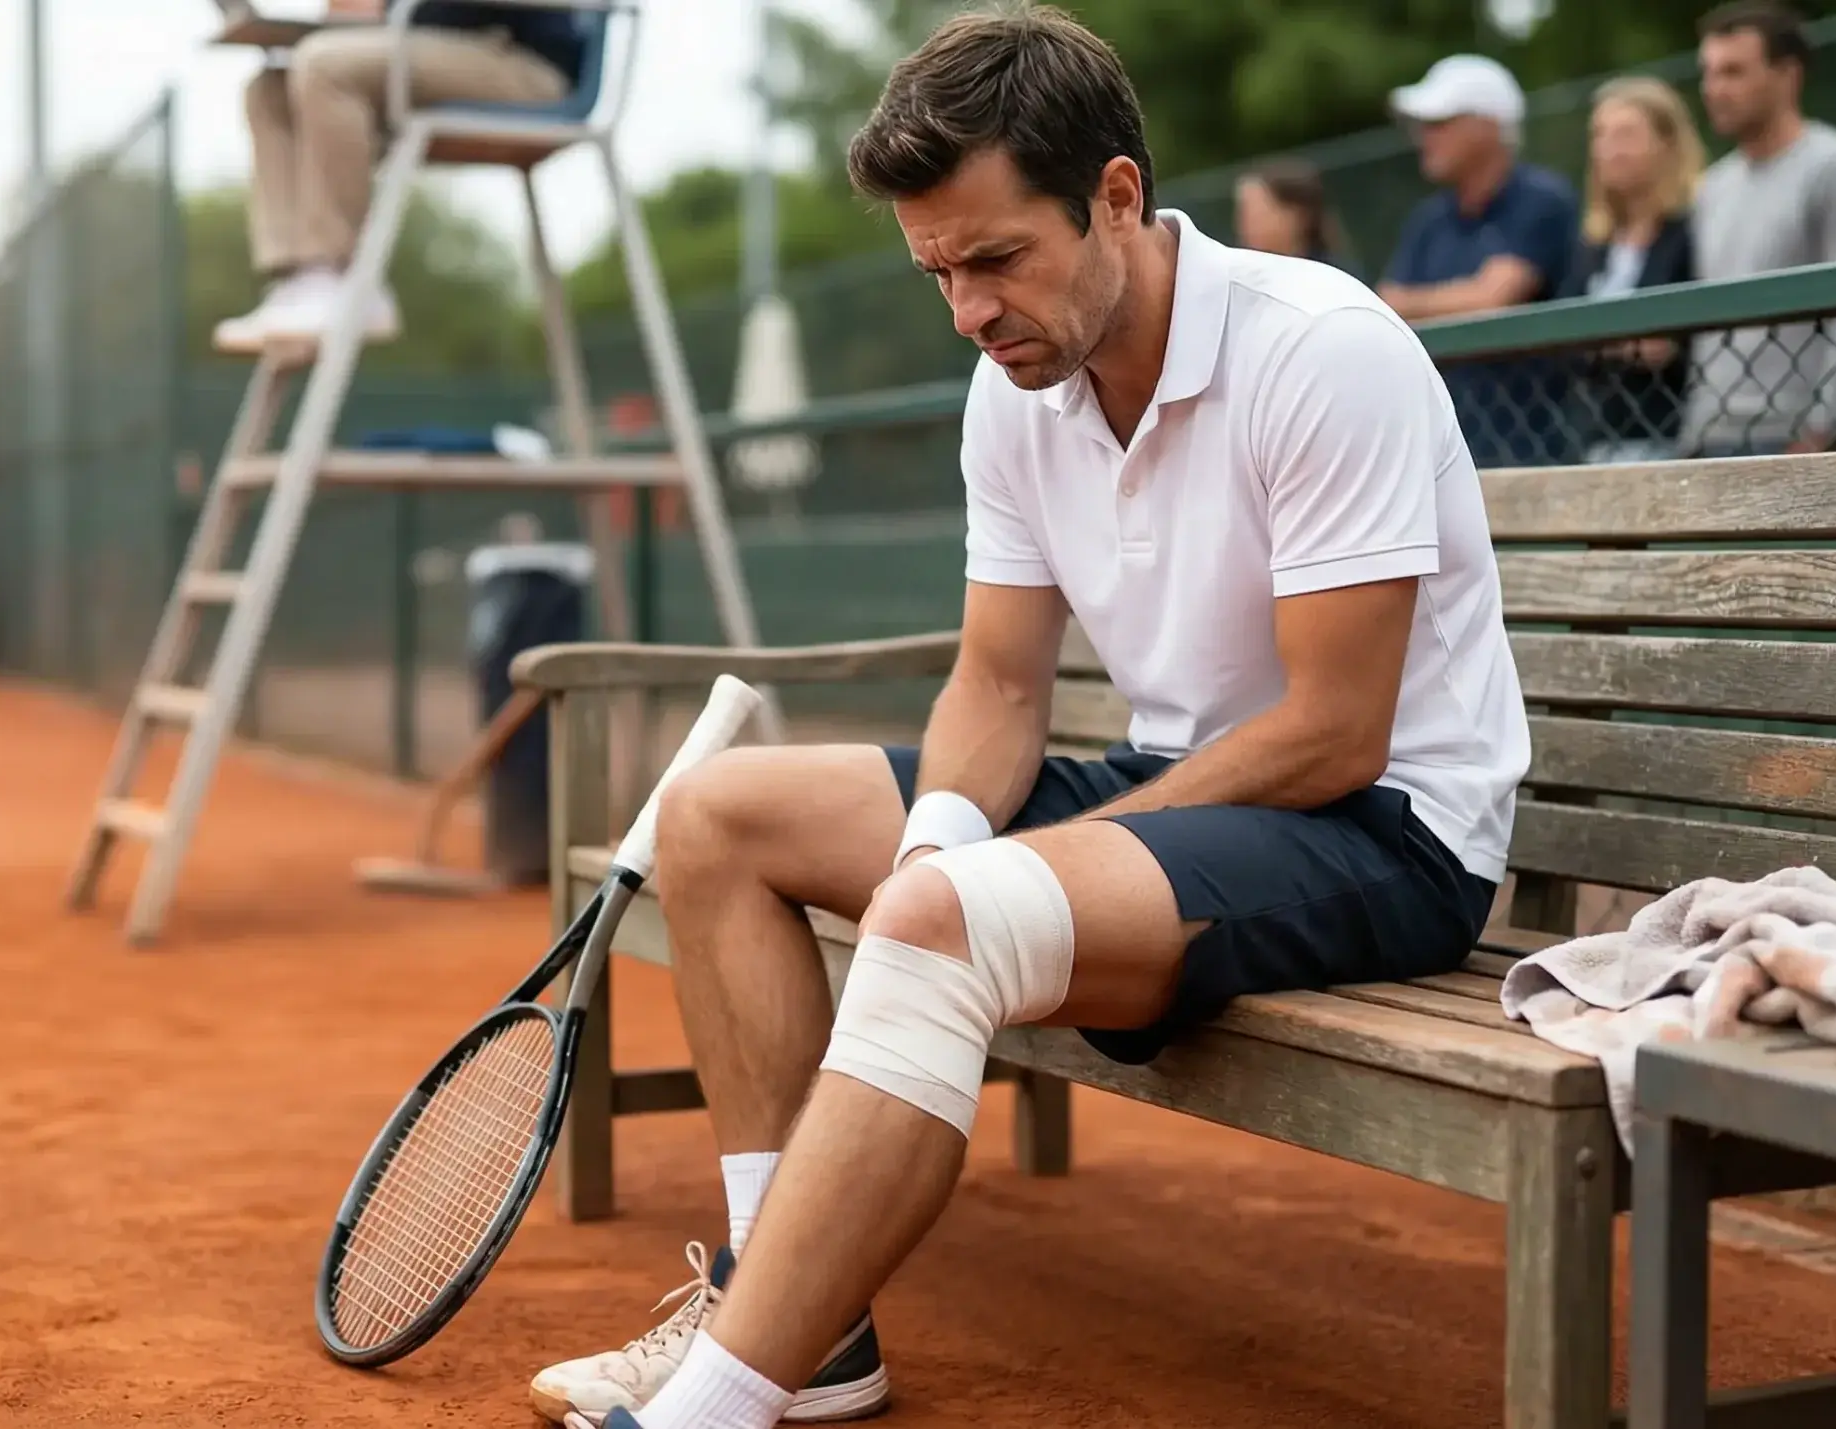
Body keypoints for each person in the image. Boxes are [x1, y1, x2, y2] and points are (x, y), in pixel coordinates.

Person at [524, 8, 1528, 1429]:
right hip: (1185, 790)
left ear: (1117, 196)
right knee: (715, 815)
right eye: (939, 270)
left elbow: (1334, 729)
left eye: (998, 258)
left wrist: (973, 883)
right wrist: (941, 835)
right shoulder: (1015, 389)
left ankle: (716, 1402)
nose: (970, 311)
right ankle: (795, 1320)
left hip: (1380, 830)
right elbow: (997, 681)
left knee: (943, 920)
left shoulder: (1323, 351)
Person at [215, 0, 588, 352]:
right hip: (424, 41)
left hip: (521, 57)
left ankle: (346, 279)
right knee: (269, 89)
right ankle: (301, 280)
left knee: (324, 66)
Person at [1684, 1, 1836, 457]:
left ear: (1788, 75)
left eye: (1733, 72)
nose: (1714, 89)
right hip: (1711, 437)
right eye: (1709, 73)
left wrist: (1822, 426)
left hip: (1796, 439)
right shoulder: (1713, 186)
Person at [1375, 54, 1582, 467]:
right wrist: (1461, 297)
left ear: (1488, 126)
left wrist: (1421, 303)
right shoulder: (1429, 220)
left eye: (1440, 123)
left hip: (1534, 449)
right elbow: (1385, 307)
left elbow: (1493, 298)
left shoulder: (1542, 200)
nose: (1424, 138)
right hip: (1446, 450)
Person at [1564, 75, 1702, 464]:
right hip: (1598, 440)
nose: (1608, 149)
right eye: (1600, 135)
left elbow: (1674, 344)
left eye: (1625, 134)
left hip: (1674, 438)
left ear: (1667, 142)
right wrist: (1630, 342)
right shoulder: (1593, 244)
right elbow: (1564, 345)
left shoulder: (1694, 230)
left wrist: (1597, 339)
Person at [1232, 157, 1365, 279]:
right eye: (1242, 213)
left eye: (1257, 213)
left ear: (1296, 215)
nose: (1244, 225)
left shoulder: (1333, 278)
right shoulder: (1242, 279)